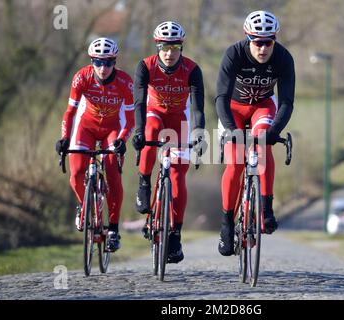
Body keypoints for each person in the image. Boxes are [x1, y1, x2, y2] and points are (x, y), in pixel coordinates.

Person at [215, 10, 295, 256]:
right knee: (236, 163)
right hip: (233, 109)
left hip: (263, 107)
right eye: (257, 42)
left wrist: (275, 131)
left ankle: (267, 208)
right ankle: (227, 223)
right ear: (248, 38)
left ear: (274, 40)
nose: (262, 48)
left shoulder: (282, 58)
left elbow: (286, 102)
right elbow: (220, 98)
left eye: (268, 42)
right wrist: (232, 130)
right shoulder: (234, 54)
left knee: (263, 145)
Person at [132, 21, 206, 263]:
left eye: (174, 48)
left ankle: (175, 233)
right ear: (157, 47)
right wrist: (138, 131)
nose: (169, 53)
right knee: (151, 129)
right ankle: (144, 182)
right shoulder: (145, 66)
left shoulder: (192, 70)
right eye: (165, 47)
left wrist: (198, 134)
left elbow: (197, 107)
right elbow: (140, 102)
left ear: (181, 48)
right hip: (153, 113)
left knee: (177, 176)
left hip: (179, 119)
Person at [55, 37, 135, 252]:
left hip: (112, 130)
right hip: (86, 127)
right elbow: (70, 112)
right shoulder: (82, 77)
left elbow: (130, 119)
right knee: (77, 171)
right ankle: (85, 205)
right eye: (97, 62)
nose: (102, 68)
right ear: (92, 62)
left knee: (112, 170)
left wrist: (122, 140)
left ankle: (113, 230)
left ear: (114, 62)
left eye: (108, 62)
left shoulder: (125, 82)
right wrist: (64, 138)